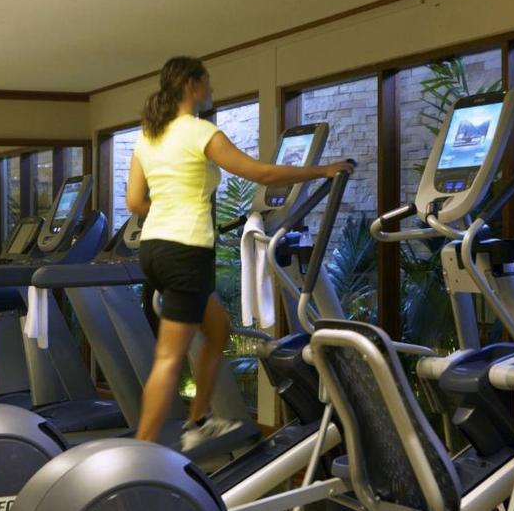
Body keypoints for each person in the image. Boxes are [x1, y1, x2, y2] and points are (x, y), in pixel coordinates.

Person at [127, 56, 354, 449]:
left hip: (154, 248)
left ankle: (198, 420)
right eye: (207, 81)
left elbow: (133, 201)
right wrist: (323, 171)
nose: (211, 88)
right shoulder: (200, 132)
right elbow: (260, 173)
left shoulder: (149, 135)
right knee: (168, 358)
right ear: (192, 85)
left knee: (218, 331)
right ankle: (140, 457)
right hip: (185, 251)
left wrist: (165, 215)